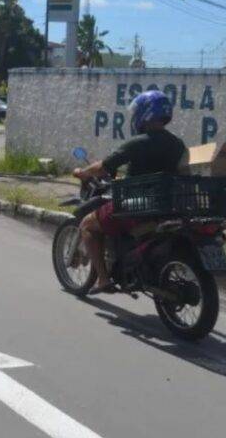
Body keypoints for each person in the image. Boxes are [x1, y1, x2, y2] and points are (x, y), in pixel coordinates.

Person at [73, 90, 186, 294]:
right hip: (166, 206)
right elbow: (184, 173)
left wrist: (83, 173)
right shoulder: (178, 145)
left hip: (136, 205)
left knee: (88, 225)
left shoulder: (138, 143)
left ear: (145, 113)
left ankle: (104, 280)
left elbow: (104, 167)